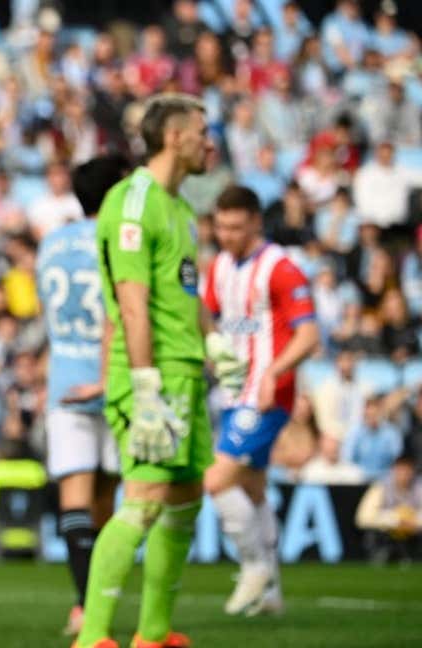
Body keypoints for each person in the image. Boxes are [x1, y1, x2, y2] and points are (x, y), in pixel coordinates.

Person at [74, 94, 220, 648]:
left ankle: (152, 634)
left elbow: (185, 294)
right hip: (150, 375)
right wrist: (145, 386)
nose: (211, 143)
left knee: (184, 501)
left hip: (185, 371)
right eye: (203, 132)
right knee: (142, 501)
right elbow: (131, 303)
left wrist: (217, 345)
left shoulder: (180, 207)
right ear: (175, 137)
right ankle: (92, 637)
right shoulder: (133, 201)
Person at [200, 185, 319, 617]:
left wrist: (275, 371)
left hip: (268, 393)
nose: (226, 234)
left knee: (216, 480)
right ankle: (272, 594)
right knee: (252, 488)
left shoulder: (282, 269)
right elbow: (207, 316)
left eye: (234, 226)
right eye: (220, 226)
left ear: (254, 221)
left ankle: (253, 568)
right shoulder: (219, 267)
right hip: (233, 392)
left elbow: (309, 335)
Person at [36, 154, 131, 637]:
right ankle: (98, 601)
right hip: (114, 376)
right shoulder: (122, 239)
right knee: (109, 498)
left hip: (64, 378)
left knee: (74, 496)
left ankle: (82, 605)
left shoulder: (51, 243)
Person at [356, 454, 422, 563]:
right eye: (401, 470)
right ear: (394, 470)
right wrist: (394, 520)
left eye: (408, 470)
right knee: (372, 535)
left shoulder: (419, 486)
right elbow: (363, 518)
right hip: (387, 536)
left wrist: (414, 522)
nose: (404, 475)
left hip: (415, 536)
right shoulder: (381, 486)